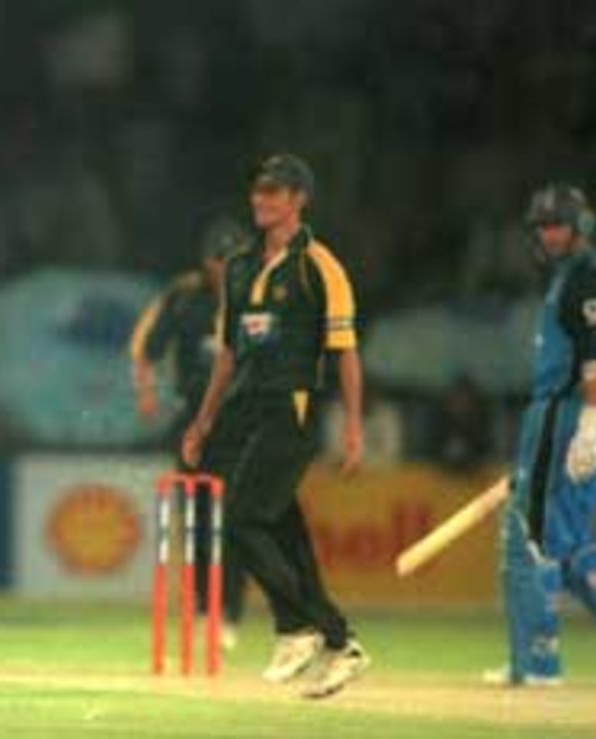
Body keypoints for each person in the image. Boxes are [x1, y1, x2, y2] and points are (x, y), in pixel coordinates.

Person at [181, 154, 370, 699]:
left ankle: (297, 628)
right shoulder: (239, 265)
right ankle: (341, 643)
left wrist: (354, 427)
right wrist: (203, 421)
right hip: (247, 409)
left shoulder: (319, 266)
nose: (263, 199)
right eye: (259, 190)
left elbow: (346, 352)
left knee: (240, 519)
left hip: (294, 408)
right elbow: (227, 354)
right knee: (289, 538)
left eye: (276, 192)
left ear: (298, 200)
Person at [483, 184, 596, 687]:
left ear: (580, 225)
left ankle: (539, 662)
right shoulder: (574, 276)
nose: (548, 234)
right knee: (565, 541)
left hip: (569, 412)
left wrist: (586, 430)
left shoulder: (586, 278)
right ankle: (535, 660)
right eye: (542, 225)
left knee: (527, 537)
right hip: (570, 413)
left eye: (558, 224)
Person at [128, 218, 251, 649]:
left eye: (233, 262)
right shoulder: (185, 298)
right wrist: (146, 394)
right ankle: (203, 609)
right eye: (219, 262)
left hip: (239, 422)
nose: (225, 270)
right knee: (197, 520)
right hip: (191, 422)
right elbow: (146, 350)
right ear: (206, 263)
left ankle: (230, 613)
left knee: (234, 520)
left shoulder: (258, 299)